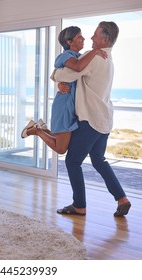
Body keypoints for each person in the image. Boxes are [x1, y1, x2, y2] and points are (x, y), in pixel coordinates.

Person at [51, 21, 131, 217]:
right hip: (104, 119)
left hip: (91, 120)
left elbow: (66, 72)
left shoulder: (93, 57)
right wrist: (61, 82)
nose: (91, 38)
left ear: (104, 39)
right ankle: (122, 198)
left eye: (95, 35)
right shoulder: (108, 59)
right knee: (98, 160)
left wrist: (55, 77)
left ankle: (79, 205)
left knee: (72, 161)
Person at [21, 26, 107, 154]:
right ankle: (36, 130)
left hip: (71, 107)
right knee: (61, 149)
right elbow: (77, 67)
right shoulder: (65, 55)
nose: (83, 38)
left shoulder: (80, 56)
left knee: (61, 140)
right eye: (79, 36)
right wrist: (95, 51)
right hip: (64, 106)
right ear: (69, 42)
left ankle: (39, 127)